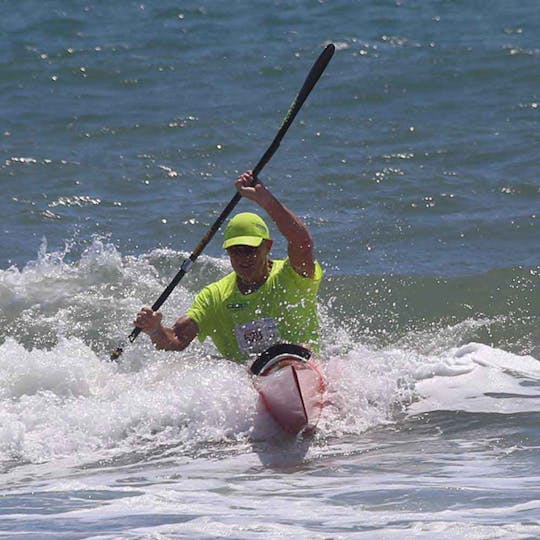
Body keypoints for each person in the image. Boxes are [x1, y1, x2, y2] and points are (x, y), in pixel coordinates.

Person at [133, 170, 323, 362]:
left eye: (249, 250)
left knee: (304, 349)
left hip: (303, 365)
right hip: (252, 379)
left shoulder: (292, 276)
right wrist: (155, 329)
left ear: (268, 246)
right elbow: (177, 340)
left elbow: (302, 242)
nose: (243, 258)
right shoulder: (215, 297)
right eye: (235, 250)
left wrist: (265, 199)